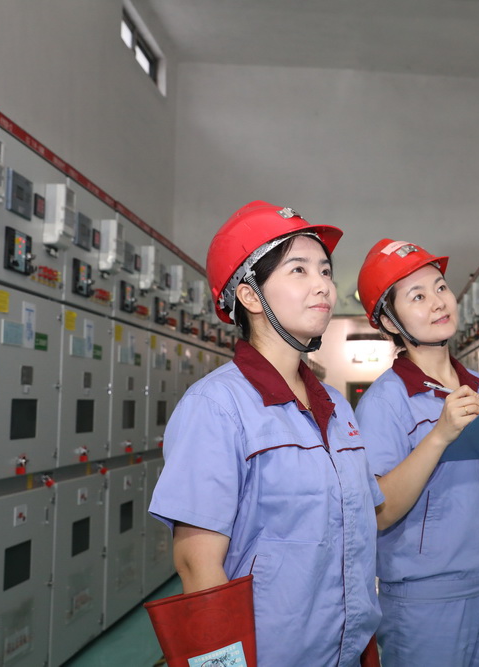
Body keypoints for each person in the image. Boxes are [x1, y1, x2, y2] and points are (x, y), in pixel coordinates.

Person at [148, 201, 382, 666]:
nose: (323, 284)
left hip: (347, 649)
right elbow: (197, 564)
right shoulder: (216, 406)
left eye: (325, 270)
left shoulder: (336, 406)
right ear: (250, 296)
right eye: (299, 270)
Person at [354, 239, 479, 666]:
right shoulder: (386, 401)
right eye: (417, 296)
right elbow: (379, 512)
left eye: (440, 287)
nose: (438, 302)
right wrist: (439, 435)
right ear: (389, 321)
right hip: (426, 598)